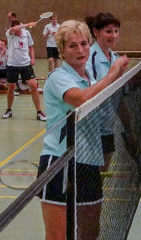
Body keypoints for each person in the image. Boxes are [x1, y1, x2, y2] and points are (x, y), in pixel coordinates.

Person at [36, 20, 129, 240]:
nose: (80, 50)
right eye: (73, 46)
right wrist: (112, 74)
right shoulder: (58, 78)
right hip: (60, 162)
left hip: (89, 161)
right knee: (58, 236)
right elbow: (81, 99)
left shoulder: (90, 75)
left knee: (90, 232)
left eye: (84, 44)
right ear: (62, 50)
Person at [85, 12, 121, 174]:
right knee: (90, 176)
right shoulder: (89, 58)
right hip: (91, 128)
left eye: (116, 31)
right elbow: (91, 92)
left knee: (104, 171)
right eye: (108, 31)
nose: (113, 35)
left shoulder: (116, 58)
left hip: (107, 126)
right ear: (96, 32)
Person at [2, 20, 47, 120]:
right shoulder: (10, 34)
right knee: (11, 87)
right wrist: (28, 24)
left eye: (20, 28)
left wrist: (33, 58)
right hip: (12, 65)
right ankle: (9, 110)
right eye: (18, 28)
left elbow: (31, 46)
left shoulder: (26, 34)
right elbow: (14, 29)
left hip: (26, 64)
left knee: (33, 86)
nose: (18, 31)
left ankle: (39, 112)